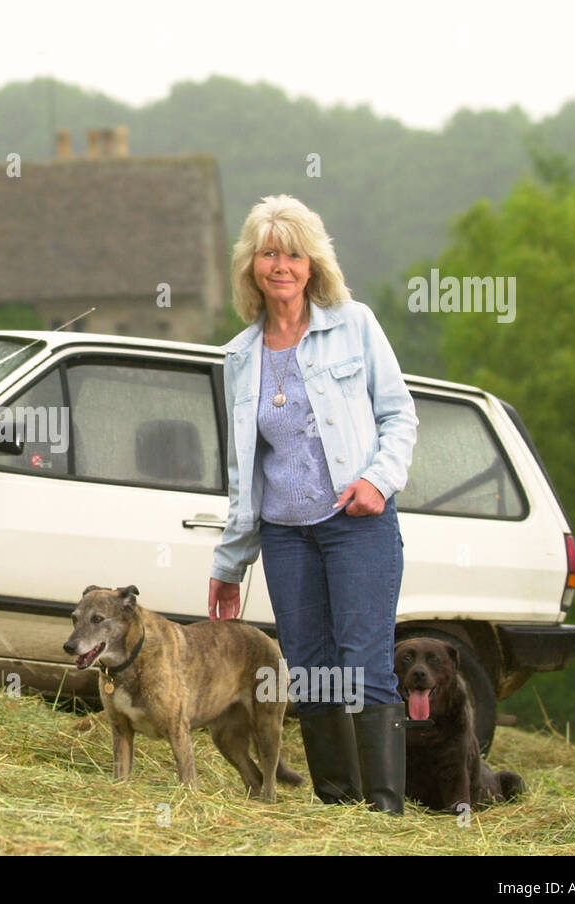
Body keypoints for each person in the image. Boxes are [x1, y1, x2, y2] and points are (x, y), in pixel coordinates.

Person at [208, 195, 418, 814]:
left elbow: (398, 415)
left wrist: (378, 480)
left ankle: (384, 811)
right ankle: (337, 802)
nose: (282, 264)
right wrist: (228, 565)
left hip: (357, 526)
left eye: (293, 253)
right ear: (252, 266)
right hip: (284, 534)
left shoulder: (354, 323)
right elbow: (242, 472)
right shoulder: (239, 357)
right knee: (311, 668)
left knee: (365, 662)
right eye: (269, 253)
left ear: (312, 263)